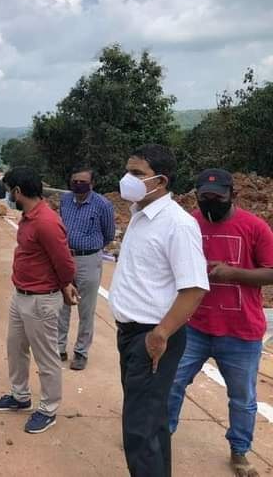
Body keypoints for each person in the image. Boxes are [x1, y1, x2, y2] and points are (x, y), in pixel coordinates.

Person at [108, 144, 209, 476]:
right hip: (132, 334)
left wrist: (160, 334)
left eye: (137, 174)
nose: (128, 179)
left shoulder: (177, 225)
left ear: (161, 181)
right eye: (128, 171)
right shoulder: (139, 215)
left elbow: (194, 287)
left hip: (152, 337)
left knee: (139, 429)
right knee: (151, 423)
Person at [168, 169, 273, 477]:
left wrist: (233, 273)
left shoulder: (255, 228)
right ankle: (160, 437)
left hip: (241, 333)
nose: (210, 203)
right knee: (172, 384)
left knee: (242, 399)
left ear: (233, 196)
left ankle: (239, 452)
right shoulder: (190, 224)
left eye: (218, 198)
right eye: (204, 198)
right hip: (195, 326)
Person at [0, 167, 79, 434]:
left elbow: (64, 262)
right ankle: (20, 396)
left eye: (8, 191)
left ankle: (48, 409)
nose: (7, 196)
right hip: (22, 295)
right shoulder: (29, 217)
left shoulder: (46, 222)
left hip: (41, 300)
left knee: (46, 357)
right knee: (15, 347)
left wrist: (65, 285)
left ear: (18, 191)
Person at [58, 165, 115, 370]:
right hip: (65, 257)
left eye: (83, 181)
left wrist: (91, 246)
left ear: (92, 183)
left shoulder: (103, 205)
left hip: (88, 259)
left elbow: (109, 234)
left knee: (86, 308)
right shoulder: (65, 200)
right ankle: (59, 348)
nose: (78, 184)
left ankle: (81, 352)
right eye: (75, 181)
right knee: (62, 304)